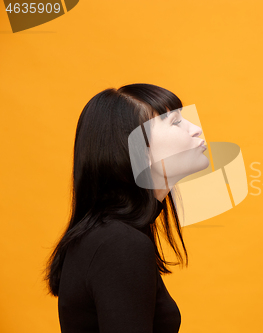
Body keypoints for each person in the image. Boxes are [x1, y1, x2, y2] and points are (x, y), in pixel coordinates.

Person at [45, 84, 209, 333]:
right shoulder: (119, 243)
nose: (196, 129)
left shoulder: (113, 236)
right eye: (175, 122)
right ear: (137, 150)